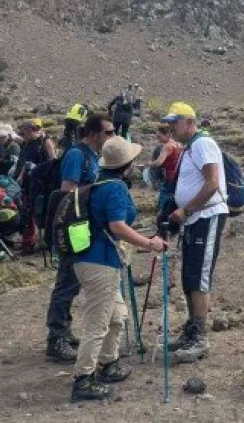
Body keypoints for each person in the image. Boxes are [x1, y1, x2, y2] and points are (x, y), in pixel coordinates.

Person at [70, 137, 168, 402]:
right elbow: (117, 226)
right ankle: (83, 379)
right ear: (127, 164)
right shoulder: (114, 188)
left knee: (116, 317)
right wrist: (149, 244)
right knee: (98, 322)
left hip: (93, 260)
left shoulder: (98, 182)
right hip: (100, 262)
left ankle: (107, 363)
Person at [156, 102, 228, 364]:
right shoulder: (191, 147)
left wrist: (186, 211)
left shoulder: (202, 144)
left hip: (205, 216)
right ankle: (192, 330)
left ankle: (200, 336)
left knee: (198, 276)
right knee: (190, 275)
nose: (171, 128)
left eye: (174, 123)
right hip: (195, 218)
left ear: (189, 121)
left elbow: (212, 183)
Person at [46, 113, 113, 363]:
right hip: (74, 228)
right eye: (108, 132)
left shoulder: (94, 156)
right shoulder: (77, 154)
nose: (112, 137)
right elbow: (68, 191)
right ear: (93, 133)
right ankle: (56, 339)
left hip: (87, 227)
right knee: (66, 282)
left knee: (73, 282)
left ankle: (64, 330)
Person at [15, 119, 57, 253]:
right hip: (30, 182)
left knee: (43, 211)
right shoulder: (27, 144)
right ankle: (29, 241)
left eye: (25, 131)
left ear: (31, 130)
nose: (23, 134)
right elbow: (25, 162)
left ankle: (48, 241)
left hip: (44, 183)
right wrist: (21, 176)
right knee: (28, 211)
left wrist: (39, 169)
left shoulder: (45, 142)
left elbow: (53, 161)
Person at [148, 125, 182, 222]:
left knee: (164, 197)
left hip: (169, 176)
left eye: (160, 137)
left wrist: (149, 164)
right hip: (178, 175)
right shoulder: (178, 144)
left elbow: (159, 162)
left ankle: (162, 218)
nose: (158, 139)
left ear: (167, 134)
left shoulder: (167, 146)